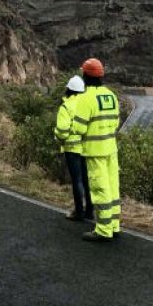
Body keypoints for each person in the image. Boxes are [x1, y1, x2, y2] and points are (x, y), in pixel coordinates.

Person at [71, 58, 121, 242]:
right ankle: (114, 226)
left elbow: (79, 128)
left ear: (85, 75)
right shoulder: (111, 95)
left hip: (95, 151)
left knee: (100, 189)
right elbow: (116, 122)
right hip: (111, 149)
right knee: (113, 188)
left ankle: (103, 230)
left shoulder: (85, 98)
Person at [54, 75, 93, 222]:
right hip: (86, 148)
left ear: (68, 89)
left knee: (77, 180)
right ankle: (90, 211)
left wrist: (58, 136)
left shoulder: (66, 106)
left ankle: (79, 212)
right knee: (86, 180)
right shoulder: (86, 104)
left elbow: (62, 130)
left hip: (72, 149)